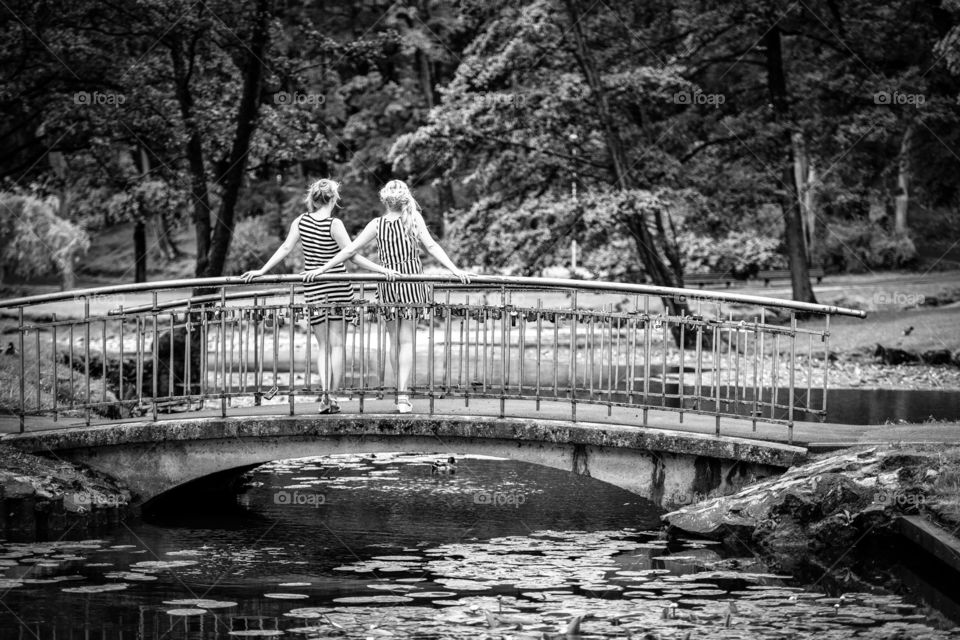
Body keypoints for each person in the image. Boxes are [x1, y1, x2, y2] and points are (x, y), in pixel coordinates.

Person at [303, 179, 470, 413]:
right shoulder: (413, 219)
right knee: (407, 341)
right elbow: (432, 247)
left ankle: (398, 394)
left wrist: (322, 268)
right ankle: (402, 397)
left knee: (395, 342)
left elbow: (350, 251)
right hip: (412, 282)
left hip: (388, 283)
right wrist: (454, 269)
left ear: (384, 199)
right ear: (405, 198)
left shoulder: (377, 224)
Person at [240, 178, 396, 414]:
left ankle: (325, 394)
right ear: (334, 199)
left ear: (313, 198)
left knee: (323, 347)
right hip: (337, 287)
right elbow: (351, 256)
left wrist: (262, 270)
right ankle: (331, 397)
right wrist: (382, 269)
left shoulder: (300, 221)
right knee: (338, 345)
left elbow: (285, 248)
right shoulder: (335, 224)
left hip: (313, 289)